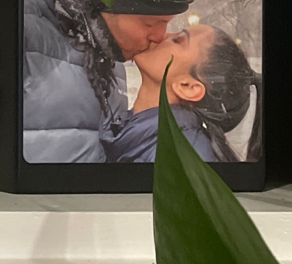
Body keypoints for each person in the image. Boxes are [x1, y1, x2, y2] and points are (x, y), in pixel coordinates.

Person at [22, 0, 191, 163]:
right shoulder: (23, 38)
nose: (160, 36)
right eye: (150, 23)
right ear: (100, 3)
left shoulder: (110, 62)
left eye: (167, 23)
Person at [100, 24, 262, 165]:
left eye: (177, 40)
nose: (163, 36)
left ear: (188, 87)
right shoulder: (141, 131)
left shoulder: (180, 164)